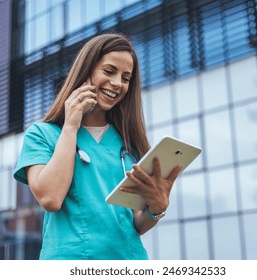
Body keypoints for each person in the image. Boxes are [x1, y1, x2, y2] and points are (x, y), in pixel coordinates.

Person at [13, 33, 182, 260]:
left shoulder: (129, 143)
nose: (117, 84)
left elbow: (134, 224)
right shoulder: (43, 135)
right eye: (109, 71)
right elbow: (50, 199)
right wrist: (71, 124)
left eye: (125, 78)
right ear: (86, 71)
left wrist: (156, 208)